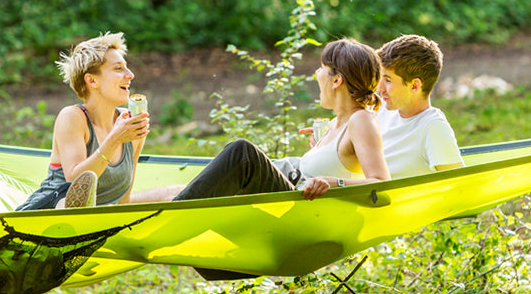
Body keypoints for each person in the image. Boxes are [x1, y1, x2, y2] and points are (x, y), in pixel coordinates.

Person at [169, 38, 391, 202]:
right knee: (186, 188)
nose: (316, 73)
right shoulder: (334, 124)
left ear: (336, 80)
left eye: (322, 68)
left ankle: (173, 218)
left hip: (300, 207)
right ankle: (151, 208)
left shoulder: (361, 119)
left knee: (242, 153)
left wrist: (336, 183)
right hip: (290, 185)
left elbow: (382, 187)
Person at [15, 32, 150, 211]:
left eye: (127, 67)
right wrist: (115, 138)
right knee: (72, 200)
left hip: (102, 216)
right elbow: (75, 180)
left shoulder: (128, 123)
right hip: (52, 211)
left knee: (177, 193)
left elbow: (124, 197)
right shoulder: (72, 117)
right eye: (118, 68)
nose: (130, 75)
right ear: (92, 80)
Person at [374, 34, 463, 176]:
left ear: (415, 86)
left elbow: (458, 186)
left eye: (388, 80)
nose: (380, 88)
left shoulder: (432, 127)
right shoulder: (381, 111)